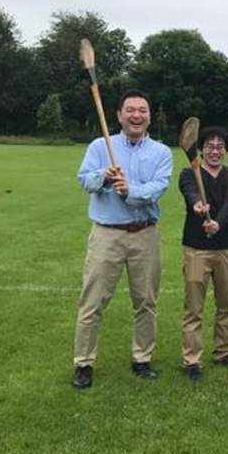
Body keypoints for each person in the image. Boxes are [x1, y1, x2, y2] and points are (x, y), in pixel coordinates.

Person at [72, 89, 173, 389]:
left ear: (149, 116)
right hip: (107, 235)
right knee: (93, 302)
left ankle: (142, 358)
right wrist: (104, 176)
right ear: (118, 115)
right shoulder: (100, 146)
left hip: (145, 234)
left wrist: (131, 191)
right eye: (130, 110)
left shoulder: (162, 152)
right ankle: (84, 363)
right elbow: (84, 179)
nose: (136, 115)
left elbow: (158, 187)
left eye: (142, 110)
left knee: (146, 301)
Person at [179, 126, 228, 382]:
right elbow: (191, 194)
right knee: (194, 307)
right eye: (209, 146)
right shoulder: (189, 173)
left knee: (227, 305)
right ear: (201, 149)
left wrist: (217, 223)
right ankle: (192, 360)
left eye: (220, 146)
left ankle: (224, 351)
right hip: (196, 249)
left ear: (226, 150)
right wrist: (198, 206)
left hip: (225, 249)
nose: (214, 150)